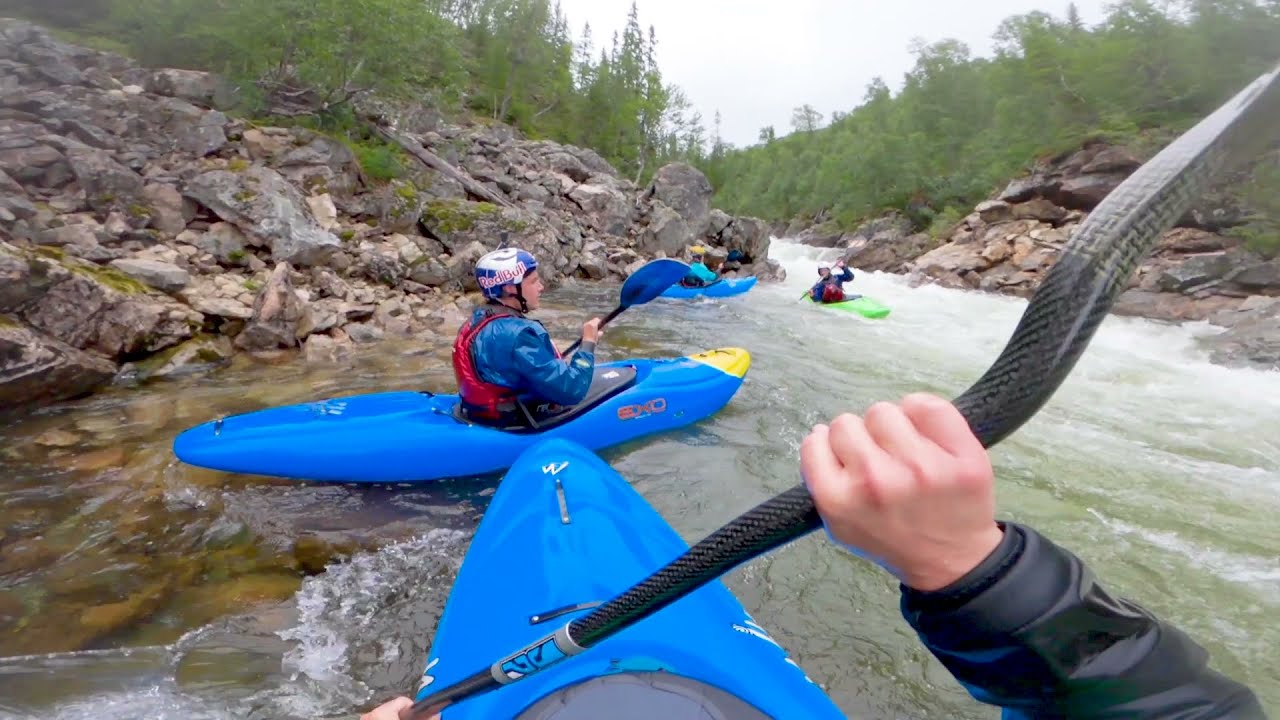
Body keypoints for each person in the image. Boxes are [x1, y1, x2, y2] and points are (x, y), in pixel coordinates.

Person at [362, 394, 1263, 720]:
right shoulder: (508, 334)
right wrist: (965, 565)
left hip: (509, 422)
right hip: (533, 415)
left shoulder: (492, 329)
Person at [452, 247, 602, 428]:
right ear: (509, 288)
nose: (541, 287)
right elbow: (571, 391)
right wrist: (588, 344)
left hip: (478, 413)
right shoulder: (519, 335)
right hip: (513, 423)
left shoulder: (477, 319)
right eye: (534, 281)